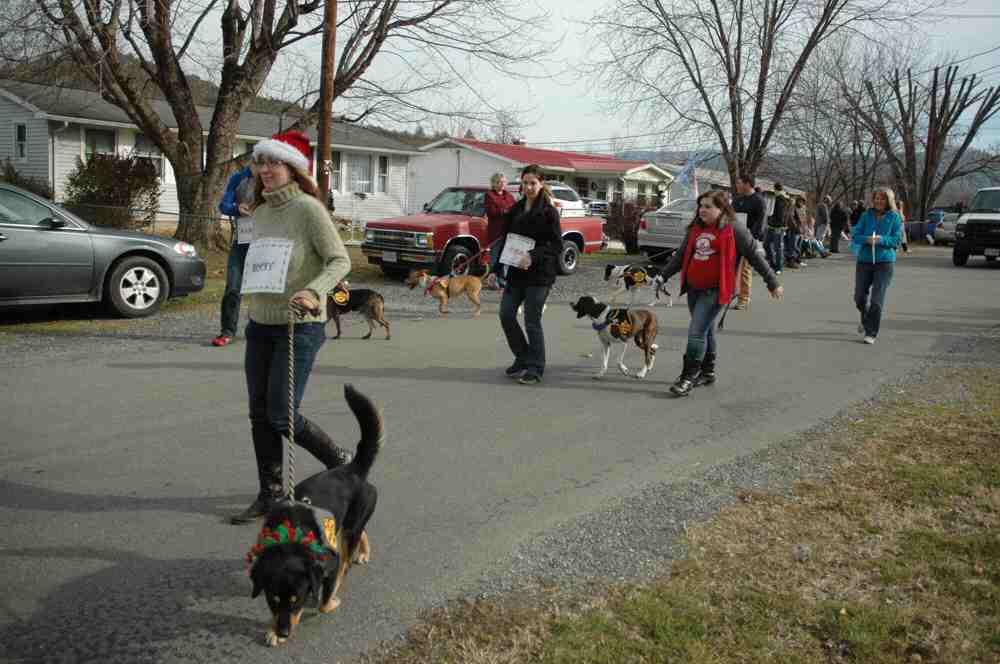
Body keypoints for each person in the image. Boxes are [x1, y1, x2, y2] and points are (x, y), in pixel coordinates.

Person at [231, 130, 353, 524]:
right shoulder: (260, 212)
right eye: (260, 162)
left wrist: (314, 292)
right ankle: (271, 492)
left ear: (293, 169)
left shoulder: (309, 210)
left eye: (274, 163)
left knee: (282, 414)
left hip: (299, 326)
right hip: (261, 324)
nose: (265, 170)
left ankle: (340, 461)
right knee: (258, 412)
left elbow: (340, 261)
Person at [661, 190, 783, 396]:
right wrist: (662, 276)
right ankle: (707, 372)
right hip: (694, 288)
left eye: (708, 206)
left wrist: (772, 282)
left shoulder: (734, 229)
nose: (702, 210)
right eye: (701, 205)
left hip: (716, 290)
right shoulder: (695, 228)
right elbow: (682, 256)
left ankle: (687, 377)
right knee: (706, 329)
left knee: (696, 331)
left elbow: (755, 255)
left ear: (722, 208)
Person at [496, 164, 562, 386]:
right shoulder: (515, 209)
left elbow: (556, 245)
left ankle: (535, 367)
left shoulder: (549, 212)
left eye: (533, 183)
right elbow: (505, 240)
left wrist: (532, 256)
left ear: (541, 184)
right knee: (506, 314)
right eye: (525, 183)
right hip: (516, 272)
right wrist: (495, 269)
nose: (528, 187)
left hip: (540, 275)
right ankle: (523, 357)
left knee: (532, 320)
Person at [212, 161, 258, 347]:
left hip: (266, 241)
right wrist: (236, 209)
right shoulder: (239, 178)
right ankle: (227, 331)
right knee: (233, 286)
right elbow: (224, 205)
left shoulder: (274, 179)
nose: (263, 166)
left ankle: (263, 330)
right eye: (258, 161)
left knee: (265, 288)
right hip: (242, 240)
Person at [851, 186, 902, 346]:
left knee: (877, 299)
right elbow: (855, 235)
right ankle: (866, 319)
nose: (879, 201)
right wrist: (866, 239)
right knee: (859, 297)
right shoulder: (866, 215)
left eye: (882, 198)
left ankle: (871, 332)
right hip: (865, 261)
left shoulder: (894, 217)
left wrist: (881, 240)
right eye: (876, 198)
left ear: (888, 200)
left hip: (885, 263)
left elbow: (897, 241)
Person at [732, 173, 766, 310]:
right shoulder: (737, 200)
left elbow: (761, 221)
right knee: (731, 267)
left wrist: (753, 238)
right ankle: (729, 294)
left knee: (745, 269)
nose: (737, 186)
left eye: (739, 183)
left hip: (749, 239)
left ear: (747, 184)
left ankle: (744, 298)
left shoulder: (758, 200)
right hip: (734, 238)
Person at [484, 172, 516, 289]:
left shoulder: (509, 195)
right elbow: (491, 212)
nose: (501, 184)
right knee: (495, 257)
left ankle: (503, 280)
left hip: (508, 232)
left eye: (503, 182)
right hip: (496, 233)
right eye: (498, 182)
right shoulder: (489, 195)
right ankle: (494, 280)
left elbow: (515, 208)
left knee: (506, 257)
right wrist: (505, 211)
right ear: (493, 183)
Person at [765, 182, 789, 274]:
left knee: (778, 247)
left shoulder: (781, 199)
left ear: (775, 189)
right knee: (766, 244)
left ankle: (779, 267)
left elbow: (781, 215)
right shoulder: (778, 198)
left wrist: (780, 224)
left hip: (778, 226)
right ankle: (773, 264)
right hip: (772, 225)